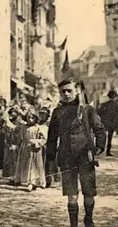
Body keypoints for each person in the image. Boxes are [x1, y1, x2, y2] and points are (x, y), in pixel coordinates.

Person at [47, 79, 106, 227]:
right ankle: (74, 224)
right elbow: (52, 137)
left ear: (76, 91)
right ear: (59, 93)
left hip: (85, 157)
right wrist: (50, 157)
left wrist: (98, 148)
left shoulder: (87, 110)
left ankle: (88, 218)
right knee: (71, 195)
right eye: (63, 91)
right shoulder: (57, 112)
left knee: (89, 193)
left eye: (69, 90)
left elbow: (99, 129)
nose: (66, 94)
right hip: (66, 157)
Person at [97, 90, 118, 156]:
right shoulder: (116, 105)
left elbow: (98, 112)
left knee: (102, 136)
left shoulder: (103, 104)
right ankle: (108, 151)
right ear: (115, 97)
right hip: (111, 124)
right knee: (110, 137)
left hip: (104, 123)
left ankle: (100, 149)